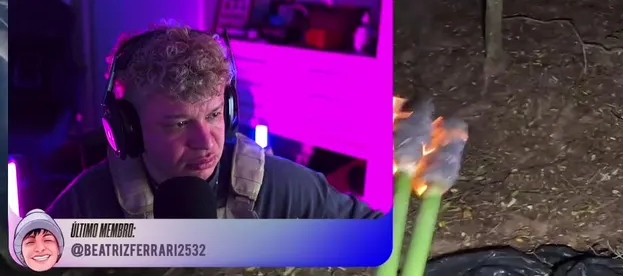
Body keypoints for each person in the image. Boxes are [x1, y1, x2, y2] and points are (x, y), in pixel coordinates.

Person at [47, 25, 382, 220]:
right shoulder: (86, 204)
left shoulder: (282, 187)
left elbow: (379, 236)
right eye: (178, 123)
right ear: (128, 129)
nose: (206, 142)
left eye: (214, 115)